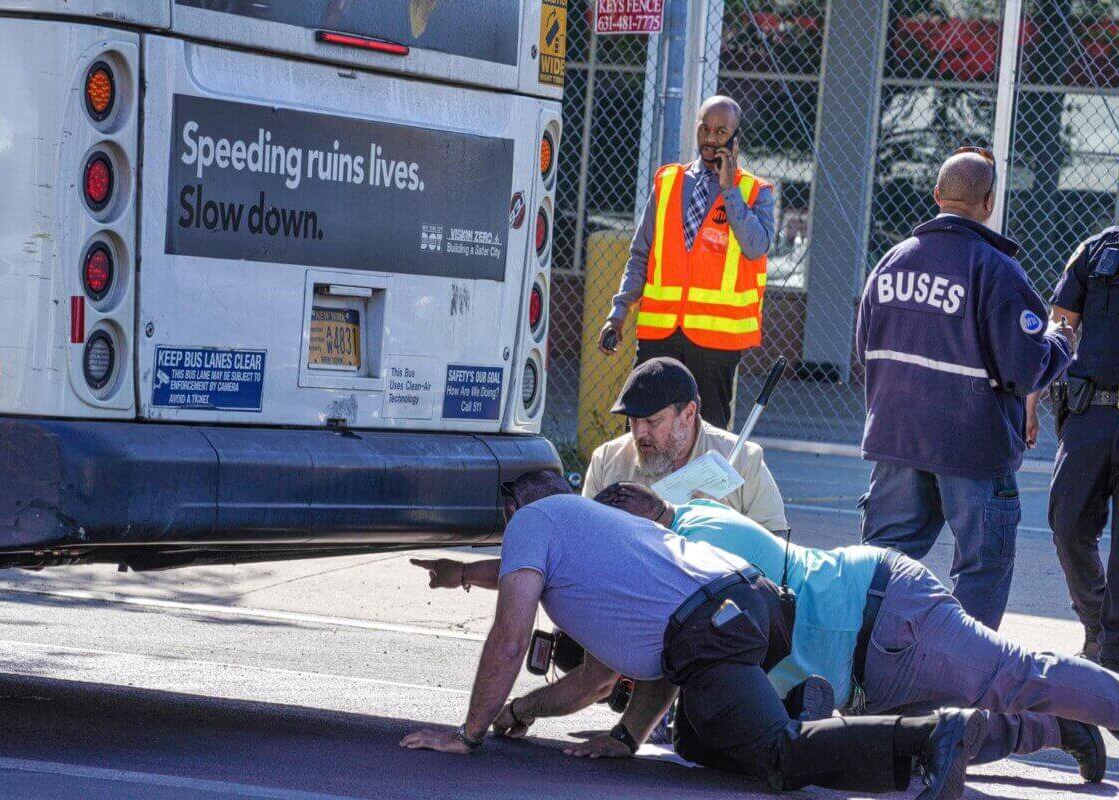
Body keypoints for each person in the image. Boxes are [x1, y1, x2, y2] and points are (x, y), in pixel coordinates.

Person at [401, 472, 988, 799]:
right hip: (743, 608)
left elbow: (510, 635)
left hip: (713, 629)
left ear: (515, 516)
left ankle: (929, 737)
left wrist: (469, 733)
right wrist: (605, 733)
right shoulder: (591, 541)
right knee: (703, 742)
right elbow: (601, 677)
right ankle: (904, 757)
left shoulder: (532, 521)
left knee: (777, 755)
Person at [592, 482, 1110, 783]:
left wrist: (618, 726)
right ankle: (1060, 728)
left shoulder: (691, 550)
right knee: (939, 739)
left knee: (1016, 676)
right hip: (861, 667)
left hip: (883, 607)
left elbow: (679, 653)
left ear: (638, 532)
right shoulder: (692, 515)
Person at [855, 147, 1074, 629]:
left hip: (896, 439)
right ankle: (964, 677)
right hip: (972, 448)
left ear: (937, 196)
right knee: (981, 568)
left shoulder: (889, 264)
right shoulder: (997, 270)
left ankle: (860, 665)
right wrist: (1060, 339)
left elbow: (864, 349)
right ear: (989, 201)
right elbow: (1025, 370)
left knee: (880, 565)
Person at [597, 96, 775, 430]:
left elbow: (755, 247)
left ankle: (700, 487)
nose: (711, 137)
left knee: (705, 438)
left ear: (736, 139)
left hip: (715, 343)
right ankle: (638, 486)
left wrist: (728, 188)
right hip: (660, 334)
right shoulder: (668, 183)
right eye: (705, 128)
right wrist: (618, 313)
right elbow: (641, 255)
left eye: (721, 131)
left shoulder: (755, 192)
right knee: (641, 428)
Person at [1034, 225, 1119, 667]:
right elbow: (1061, 325)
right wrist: (1031, 398)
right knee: (1067, 523)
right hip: (1092, 414)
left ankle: (1112, 651)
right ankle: (1096, 624)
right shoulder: (1098, 250)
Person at [581, 356, 788, 532]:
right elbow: (584, 534)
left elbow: (775, 542)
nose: (640, 432)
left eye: (653, 421)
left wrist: (728, 530)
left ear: (688, 414)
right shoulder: (606, 459)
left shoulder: (743, 460)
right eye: (633, 420)